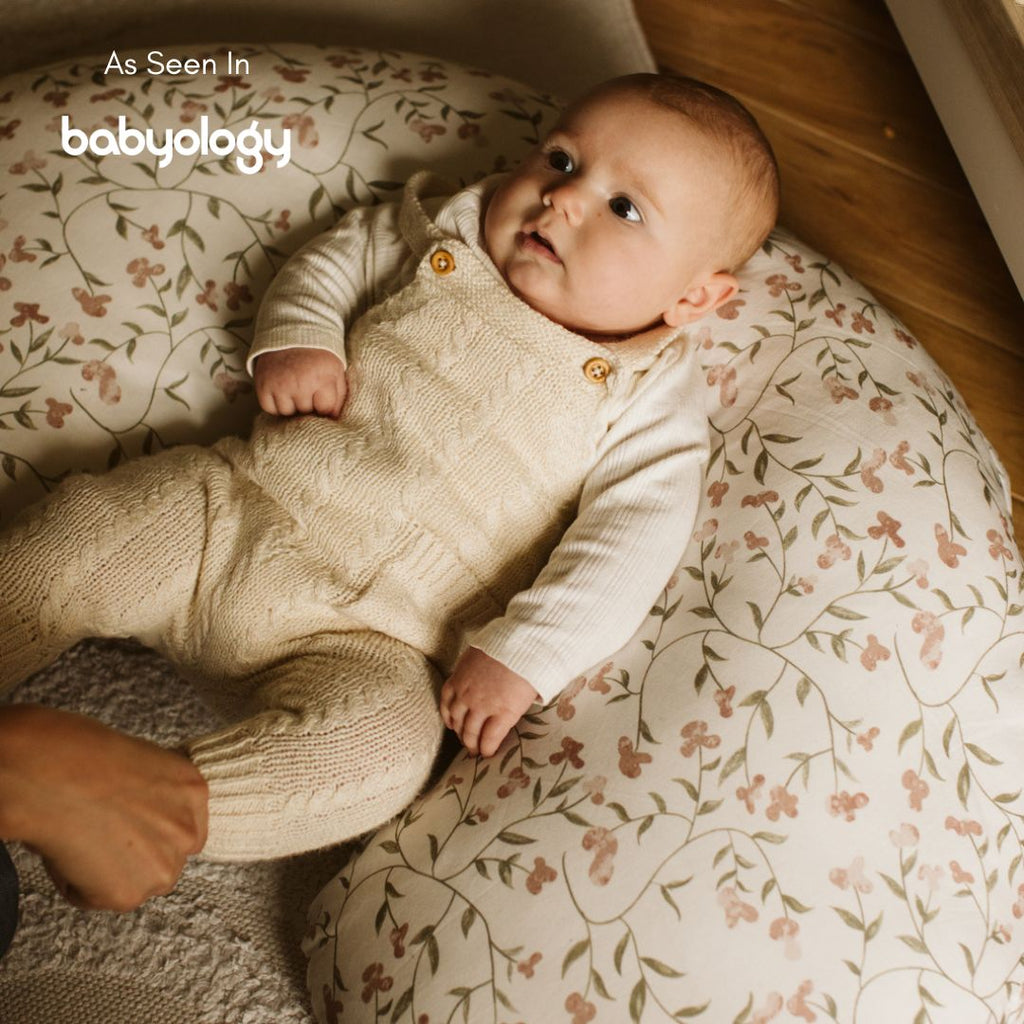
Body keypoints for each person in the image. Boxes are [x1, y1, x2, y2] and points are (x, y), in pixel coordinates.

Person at [0, 73, 779, 923]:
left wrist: (525, 654)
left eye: (625, 209)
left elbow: (631, 542)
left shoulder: (648, 400)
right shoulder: (449, 234)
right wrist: (297, 339)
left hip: (379, 639)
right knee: (79, 536)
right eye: (561, 158)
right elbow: (336, 259)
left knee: (386, 751)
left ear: (695, 298)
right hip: (239, 514)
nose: (561, 200)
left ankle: (173, 798)